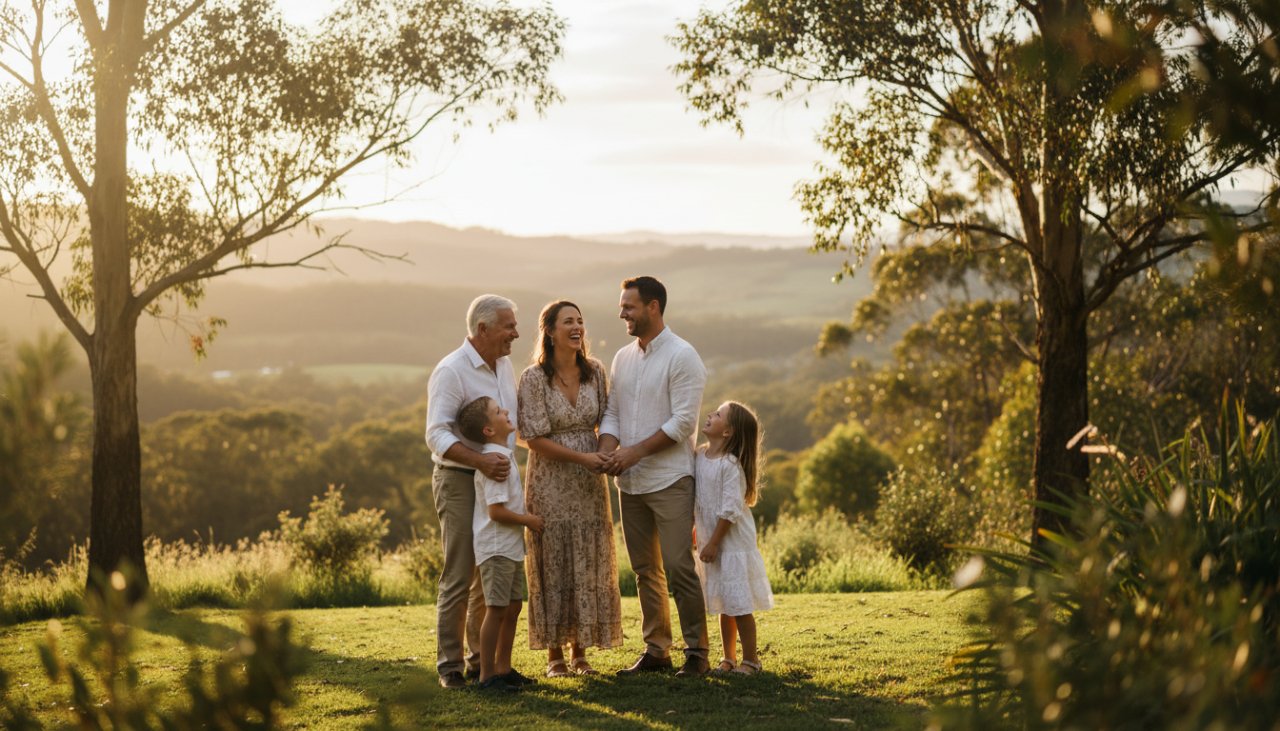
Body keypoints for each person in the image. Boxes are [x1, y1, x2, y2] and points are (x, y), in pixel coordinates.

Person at [599, 275, 711, 677]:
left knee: (679, 566)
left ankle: (697, 651)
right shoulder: (622, 357)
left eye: (629, 306)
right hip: (629, 483)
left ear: (653, 307)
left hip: (670, 479)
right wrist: (607, 449)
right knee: (646, 570)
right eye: (621, 306)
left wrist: (634, 452)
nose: (622, 313)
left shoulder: (683, 356)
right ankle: (657, 650)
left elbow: (683, 422)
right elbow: (612, 412)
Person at [518, 301, 623, 677]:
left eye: (580, 321)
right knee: (554, 557)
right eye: (568, 322)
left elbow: (609, 416)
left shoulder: (595, 371)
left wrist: (605, 452)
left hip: (590, 482)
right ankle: (554, 655)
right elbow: (533, 437)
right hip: (550, 479)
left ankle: (580, 652)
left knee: (587, 557)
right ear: (549, 331)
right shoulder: (534, 378)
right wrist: (583, 459)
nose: (577, 327)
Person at [424, 294, 520, 689]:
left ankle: (486, 664)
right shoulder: (451, 370)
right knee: (460, 571)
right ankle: (450, 666)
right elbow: (435, 434)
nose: (515, 333)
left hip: (495, 481)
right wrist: (480, 462)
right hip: (460, 480)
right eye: (508, 326)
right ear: (482, 329)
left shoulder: (505, 364)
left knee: (490, 569)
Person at [457, 396, 545, 692]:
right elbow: (495, 512)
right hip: (495, 547)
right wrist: (527, 520)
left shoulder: (503, 453)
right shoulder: (495, 461)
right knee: (495, 609)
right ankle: (487, 675)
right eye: (498, 411)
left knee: (512, 606)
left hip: (508, 547)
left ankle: (504, 668)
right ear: (488, 430)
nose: (505, 411)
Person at [694, 401, 774, 675]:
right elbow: (701, 500)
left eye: (717, 415)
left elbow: (729, 509)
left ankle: (751, 660)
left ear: (727, 432)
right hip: (711, 539)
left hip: (730, 542)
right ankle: (728, 658)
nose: (710, 415)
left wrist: (714, 542)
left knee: (738, 603)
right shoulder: (699, 457)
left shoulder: (730, 465)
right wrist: (700, 532)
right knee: (724, 604)